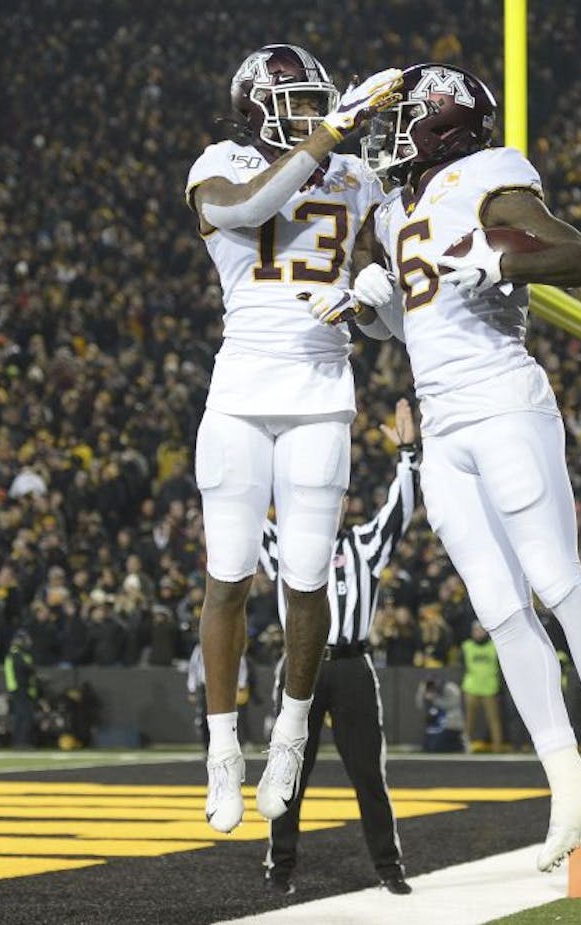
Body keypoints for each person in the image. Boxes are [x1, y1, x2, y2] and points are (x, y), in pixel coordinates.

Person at [323, 62, 581, 870]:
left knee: (554, 577)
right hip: (444, 422)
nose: (388, 130)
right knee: (502, 608)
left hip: (506, 400)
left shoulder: (491, 175)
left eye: (404, 116)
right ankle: (565, 777)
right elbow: (418, 322)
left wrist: (507, 262)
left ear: (442, 122)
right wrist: (374, 306)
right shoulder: (398, 207)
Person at [184, 45, 403, 832]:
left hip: (320, 389)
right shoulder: (223, 159)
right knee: (229, 574)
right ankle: (220, 751)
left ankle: (289, 730)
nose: (314, 112)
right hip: (241, 390)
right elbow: (242, 209)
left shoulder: (359, 176)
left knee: (307, 576)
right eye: (300, 101)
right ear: (255, 106)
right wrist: (334, 130)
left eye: (321, 102)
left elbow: (395, 301)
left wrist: (370, 289)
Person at [256, 397, 419, 896]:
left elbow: (402, 509)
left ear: (344, 502)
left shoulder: (363, 545)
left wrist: (410, 454)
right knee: (289, 774)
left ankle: (388, 868)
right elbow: (240, 512)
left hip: (350, 666)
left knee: (369, 773)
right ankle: (279, 867)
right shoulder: (282, 544)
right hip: (300, 667)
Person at [185, 643, 249, 754]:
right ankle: (207, 747)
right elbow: (193, 668)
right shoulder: (200, 648)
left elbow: (241, 664)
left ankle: (228, 745)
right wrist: (192, 688)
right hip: (207, 686)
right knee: (205, 717)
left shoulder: (230, 643)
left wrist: (241, 683)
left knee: (228, 717)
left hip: (226, 686)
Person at [460, 621, 503, 752]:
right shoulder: (466, 646)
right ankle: (465, 747)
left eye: (480, 630)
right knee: (468, 720)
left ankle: (498, 748)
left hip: (489, 688)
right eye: (475, 630)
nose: (477, 633)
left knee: (494, 720)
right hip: (471, 688)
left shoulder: (494, 646)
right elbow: (462, 666)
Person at [5, 628, 39, 748]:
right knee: (24, 715)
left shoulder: (21, 654)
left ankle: (19, 741)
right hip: (20, 689)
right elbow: (24, 669)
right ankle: (21, 742)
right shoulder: (16, 654)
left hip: (22, 689)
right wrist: (32, 670)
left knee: (22, 715)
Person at [417, 675, 465, 753]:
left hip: (451, 725)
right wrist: (422, 691)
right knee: (427, 747)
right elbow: (419, 705)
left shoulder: (450, 688)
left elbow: (452, 704)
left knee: (436, 747)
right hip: (436, 726)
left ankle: (459, 745)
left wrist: (434, 699)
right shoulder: (428, 690)